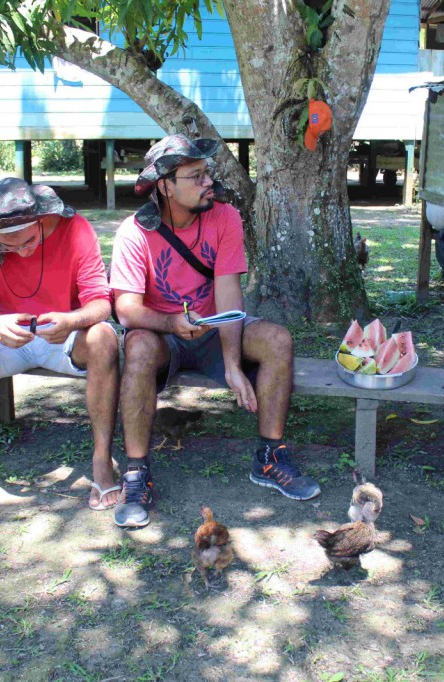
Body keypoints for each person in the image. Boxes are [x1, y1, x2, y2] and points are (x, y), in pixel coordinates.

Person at [109, 134, 321, 529]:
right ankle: (137, 473)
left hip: (214, 327)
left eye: (207, 173)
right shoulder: (133, 233)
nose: (208, 182)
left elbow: (228, 292)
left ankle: (270, 457)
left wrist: (232, 363)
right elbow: (125, 309)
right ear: (165, 185)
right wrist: (171, 323)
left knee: (277, 339)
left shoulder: (224, 217)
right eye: (195, 176)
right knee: (137, 348)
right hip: (162, 334)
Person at [0, 178, 120, 524]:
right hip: (6, 337)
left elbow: (100, 303)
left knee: (104, 338)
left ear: (41, 219)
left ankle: (101, 460)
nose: (22, 251)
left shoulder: (74, 227)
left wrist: (71, 319)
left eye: (30, 240)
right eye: (8, 246)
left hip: (62, 334)